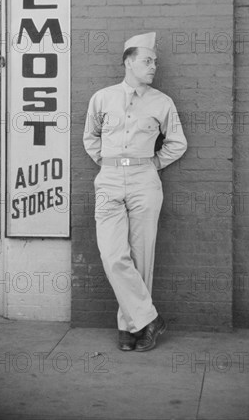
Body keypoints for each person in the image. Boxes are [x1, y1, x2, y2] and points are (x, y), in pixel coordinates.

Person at [83, 32, 187, 351]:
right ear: (129, 62)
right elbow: (91, 137)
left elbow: (177, 143)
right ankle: (150, 320)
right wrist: (109, 162)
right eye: (147, 60)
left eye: (155, 61)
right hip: (110, 179)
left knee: (142, 256)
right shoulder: (102, 97)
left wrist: (152, 163)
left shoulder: (162, 102)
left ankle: (129, 328)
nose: (153, 66)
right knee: (113, 255)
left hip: (145, 179)